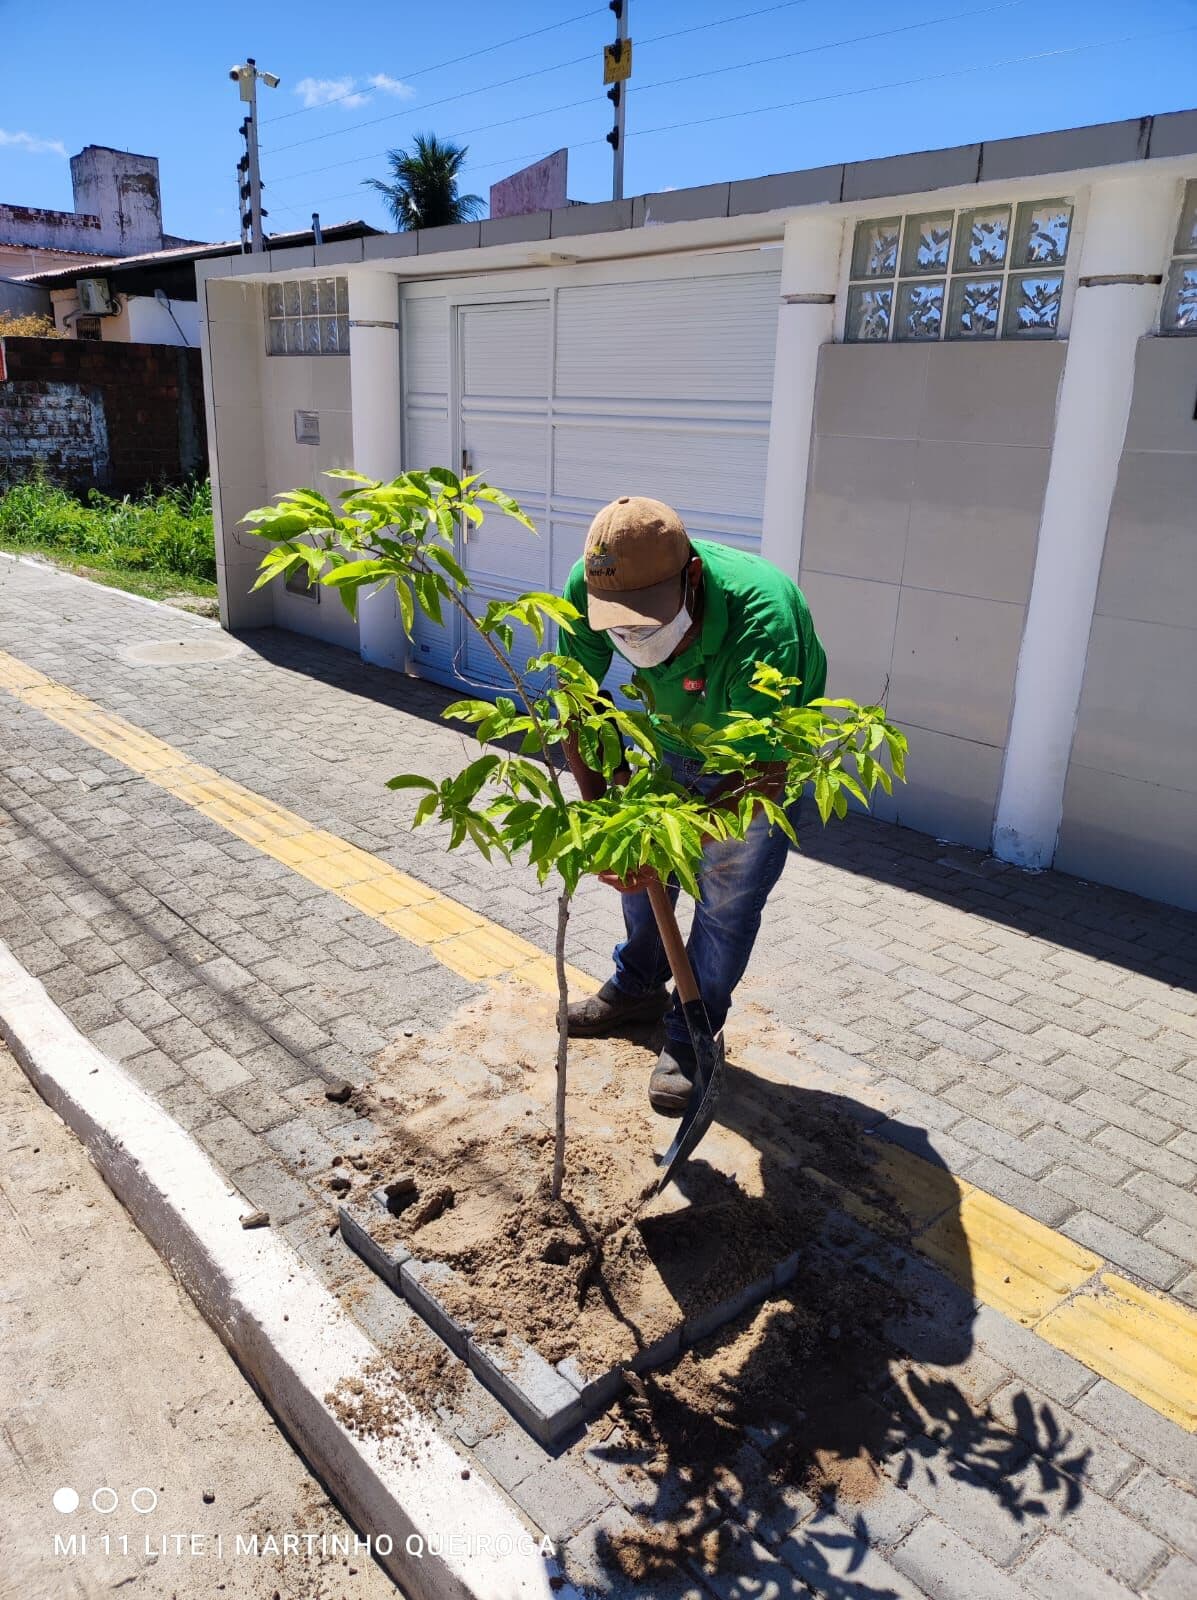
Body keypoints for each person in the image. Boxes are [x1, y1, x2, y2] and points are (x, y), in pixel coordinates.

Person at [559, 495, 827, 1116]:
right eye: (620, 625)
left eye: (649, 620)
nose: (634, 636)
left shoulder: (763, 619)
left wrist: (668, 845)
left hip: (754, 759)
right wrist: (605, 825)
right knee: (640, 880)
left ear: (693, 577)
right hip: (672, 742)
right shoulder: (592, 582)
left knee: (725, 897)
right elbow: (578, 706)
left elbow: (761, 773)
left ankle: (691, 1031)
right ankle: (638, 987)